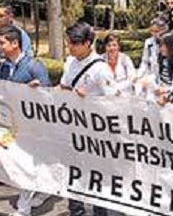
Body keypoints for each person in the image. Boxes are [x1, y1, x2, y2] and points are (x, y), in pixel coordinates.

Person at [60, 22, 117, 216]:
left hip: (95, 134)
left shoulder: (101, 69)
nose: (70, 47)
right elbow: (64, 87)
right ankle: (76, 211)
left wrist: (90, 101)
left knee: (96, 177)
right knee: (73, 173)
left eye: (74, 43)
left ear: (87, 43)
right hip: (74, 128)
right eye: (69, 43)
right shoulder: (71, 62)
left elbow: (116, 101)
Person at [0, 25, 51, 216]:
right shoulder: (3, 68)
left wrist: (37, 92)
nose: (0, 47)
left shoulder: (34, 66)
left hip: (31, 128)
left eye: (2, 43)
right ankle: (45, 189)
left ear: (15, 44)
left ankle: (24, 209)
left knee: (26, 166)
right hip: (8, 126)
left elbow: (50, 98)